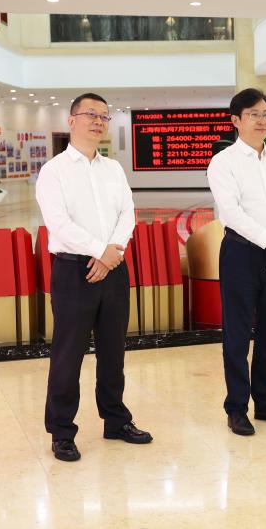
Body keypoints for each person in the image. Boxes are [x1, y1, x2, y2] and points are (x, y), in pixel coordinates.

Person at [36, 92, 152, 463]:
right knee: (67, 356)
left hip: (114, 269)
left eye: (104, 116)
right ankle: (62, 432)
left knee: (113, 352)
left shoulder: (113, 169)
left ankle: (116, 420)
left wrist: (111, 252)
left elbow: (127, 214)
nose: (99, 121)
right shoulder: (54, 171)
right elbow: (59, 223)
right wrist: (99, 251)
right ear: (72, 120)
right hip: (74, 270)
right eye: (91, 114)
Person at [207, 88, 266, 436]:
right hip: (241, 254)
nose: (262, 120)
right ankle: (236, 407)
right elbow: (231, 212)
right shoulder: (223, 162)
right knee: (237, 333)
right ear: (236, 120)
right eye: (253, 114)